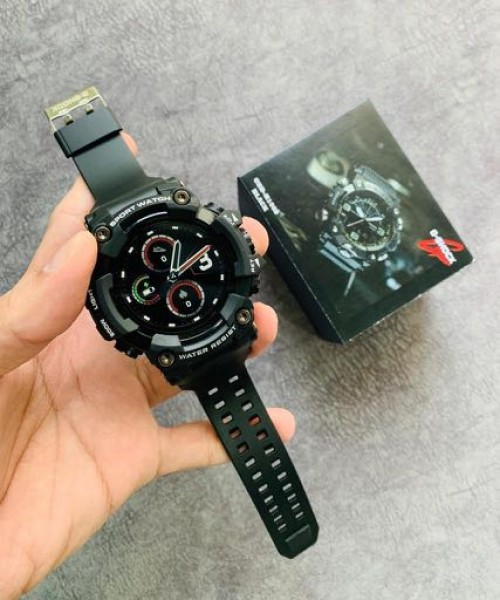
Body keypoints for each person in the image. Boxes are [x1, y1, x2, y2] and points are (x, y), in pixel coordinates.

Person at [0, 134, 295, 598]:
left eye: (182, 270)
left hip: (215, 331)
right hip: (178, 345)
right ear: (111, 321)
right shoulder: (115, 309)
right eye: (158, 279)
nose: (172, 277)